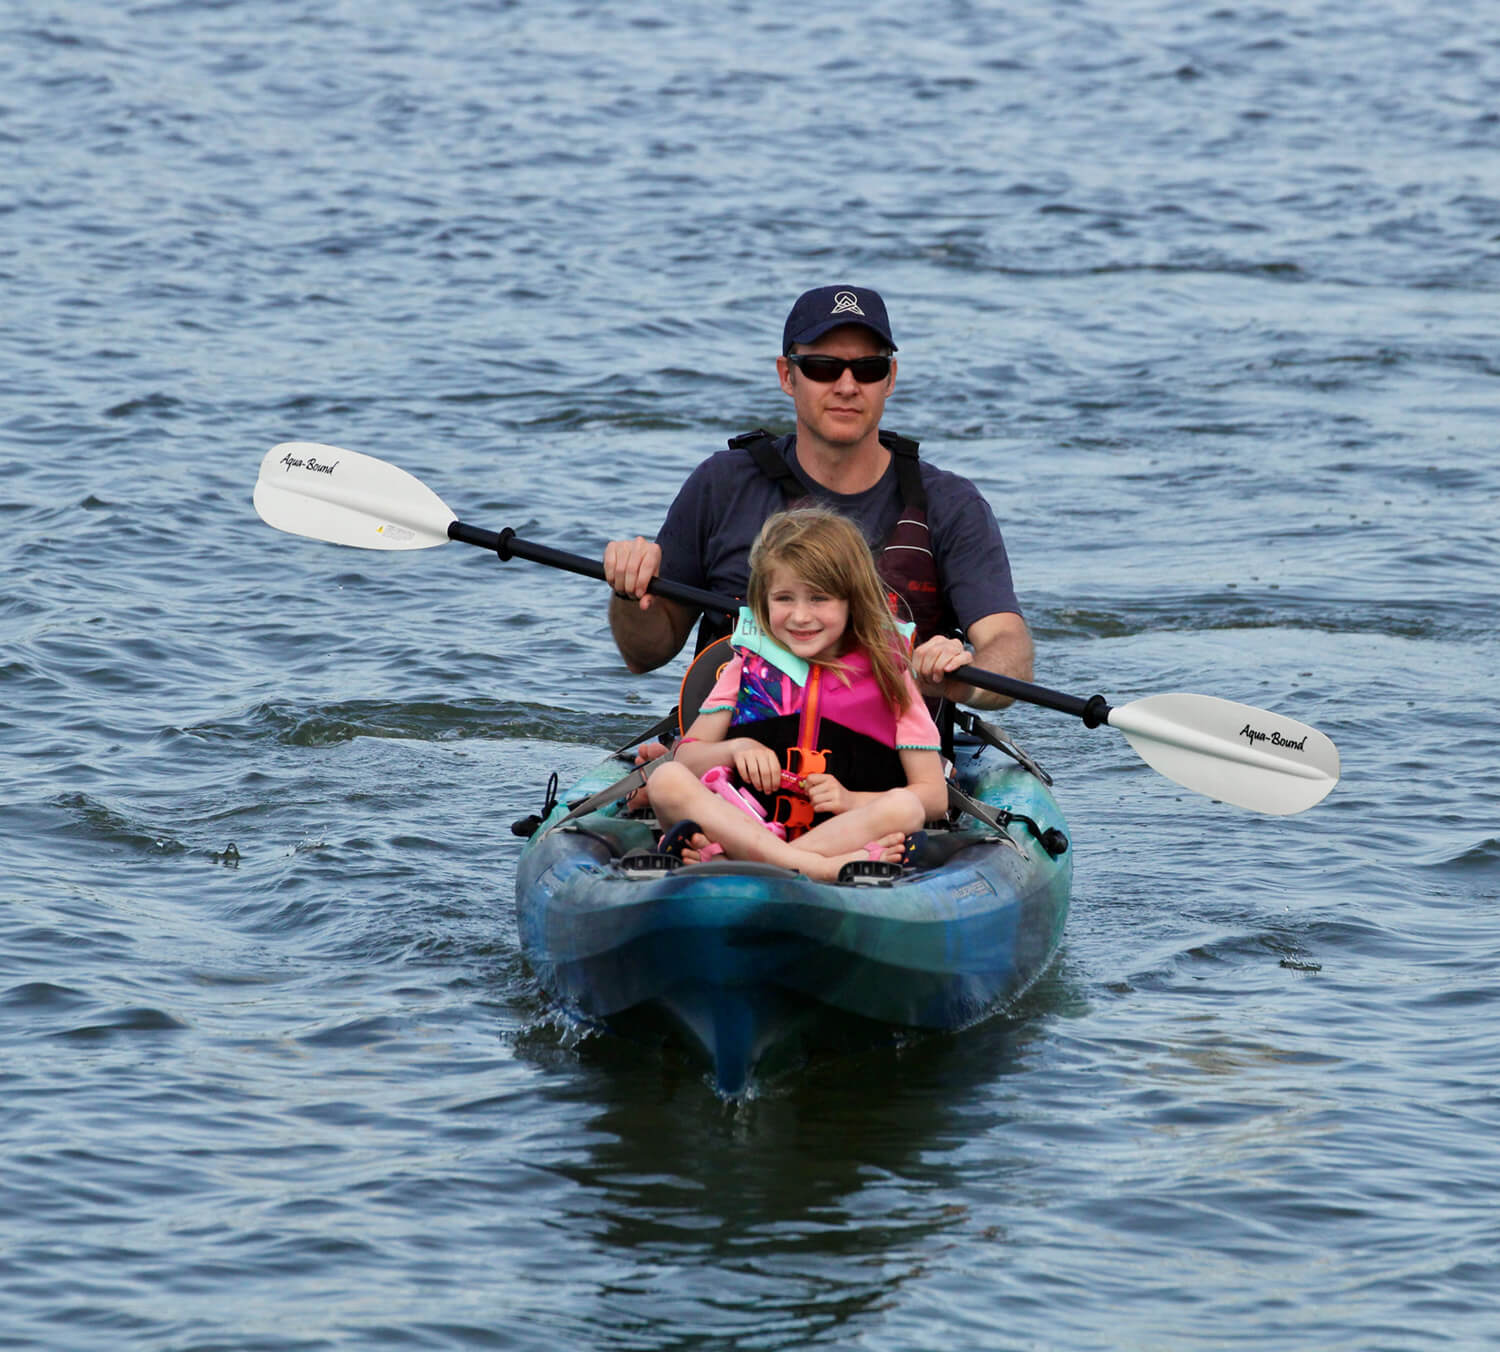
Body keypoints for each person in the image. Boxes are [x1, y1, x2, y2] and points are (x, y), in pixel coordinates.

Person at [604, 283, 1033, 710]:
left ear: (891, 378)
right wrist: (628, 592)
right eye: (823, 367)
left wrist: (964, 679)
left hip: (895, 765)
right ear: (787, 376)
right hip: (735, 748)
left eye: (867, 368)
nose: (847, 386)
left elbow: (1006, 645)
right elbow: (645, 655)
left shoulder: (951, 504)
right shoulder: (721, 485)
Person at [646, 508, 949, 881]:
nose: (801, 617)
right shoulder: (748, 668)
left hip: (838, 834)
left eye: (819, 599)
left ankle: (749, 865)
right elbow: (688, 757)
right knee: (666, 779)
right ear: (763, 599)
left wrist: (849, 800)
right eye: (784, 598)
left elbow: (933, 796)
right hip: (748, 821)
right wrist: (734, 750)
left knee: (905, 806)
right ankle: (817, 870)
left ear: (852, 601)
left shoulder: (891, 675)